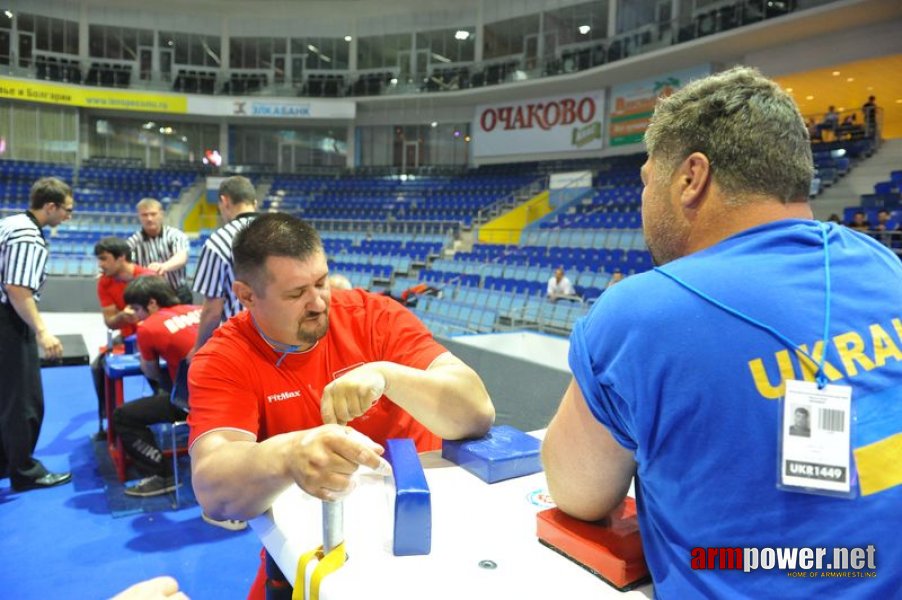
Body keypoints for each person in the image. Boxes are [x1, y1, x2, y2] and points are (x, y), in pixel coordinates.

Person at [542, 67, 901, 597]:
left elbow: (577, 494)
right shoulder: (884, 264)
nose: (642, 204)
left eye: (646, 182)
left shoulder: (640, 312)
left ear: (691, 178)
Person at [187, 213, 494, 598]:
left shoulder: (373, 317)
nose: (318, 303)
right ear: (247, 296)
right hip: (321, 550)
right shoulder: (225, 357)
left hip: (426, 536)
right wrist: (289, 455)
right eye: (297, 294)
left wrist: (389, 375)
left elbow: (477, 411)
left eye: (321, 282)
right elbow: (215, 492)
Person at [0, 176, 73, 491]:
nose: (68, 216)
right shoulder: (28, 236)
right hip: (8, 321)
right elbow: (16, 288)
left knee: (5, 396)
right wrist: (42, 332)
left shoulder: (12, 222)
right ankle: (24, 471)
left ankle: (6, 462)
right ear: (51, 206)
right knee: (24, 399)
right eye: (66, 210)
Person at [112, 276, 200, 498]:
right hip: (232, 392)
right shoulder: (198, 309)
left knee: (123, 416)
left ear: (152, 303)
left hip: (194, 402)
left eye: (136, 308)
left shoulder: (148, 327)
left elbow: (150, 370)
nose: (134, 315)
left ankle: (161, 475)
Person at [90, 237, 155, 432]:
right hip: (127, 340)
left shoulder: (149, 278)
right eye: (98, 259)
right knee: (98, 368)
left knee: (160, 373)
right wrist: (122, 316)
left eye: (104, 259)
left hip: (153, 339)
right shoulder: (104, 283)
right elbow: (109, 321)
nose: (100, 265)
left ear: (121, 258)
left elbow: (164, 313)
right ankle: (109, 420)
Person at [190, 176, 258, 358]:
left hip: (242, 344)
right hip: (283, 341)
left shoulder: (219, 242)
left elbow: (212, 309)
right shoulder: (282, 233)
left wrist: (198, 349)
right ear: (255, 203)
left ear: (224, 201)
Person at [127, 198, 192, 304]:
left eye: (153, 214)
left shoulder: (175, 235)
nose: (149, 218)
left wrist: (163, 267)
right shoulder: (133, 241)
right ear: (139, 217)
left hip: (177, 292)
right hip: (148, 296)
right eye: (144, 215)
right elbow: (125, 262)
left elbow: (181, 257)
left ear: (161, 214)